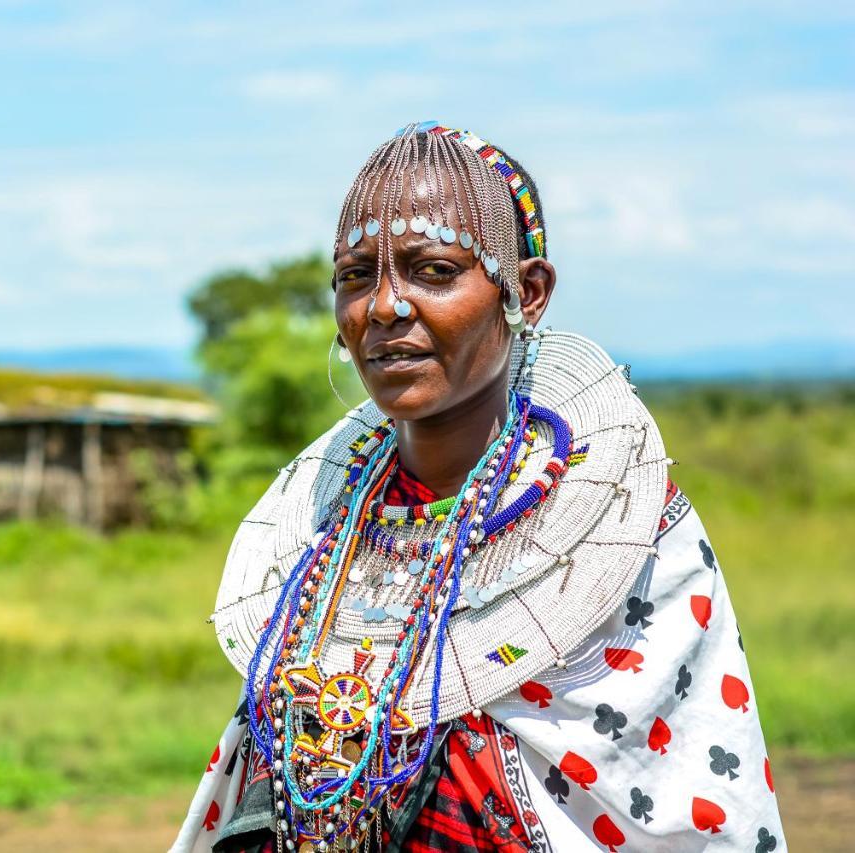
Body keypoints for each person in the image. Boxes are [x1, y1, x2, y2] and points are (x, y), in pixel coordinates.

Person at [172, 122, 785, 852]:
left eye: (432, 270)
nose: (385, 307)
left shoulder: (624, 532)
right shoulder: (318, 537)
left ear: (525, 292)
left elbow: (681, 808)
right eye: (355, 275)